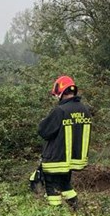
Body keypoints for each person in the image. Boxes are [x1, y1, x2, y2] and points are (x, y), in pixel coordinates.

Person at [37, 75, 92, 209]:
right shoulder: (84, 110)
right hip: (70, 161)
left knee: (52, 191)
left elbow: (44, 132)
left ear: (60, 92)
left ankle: (55, 214)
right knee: (65, 185)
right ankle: (76, 208)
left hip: (55, 159)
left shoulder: (60, 110)